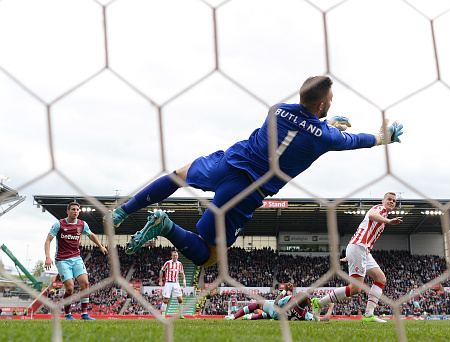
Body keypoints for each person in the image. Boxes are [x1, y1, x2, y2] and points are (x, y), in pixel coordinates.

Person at [106, 76, 404, 269]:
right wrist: (383, 137)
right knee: (209, 256)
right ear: (324, 104)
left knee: (177, 176)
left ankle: (124, 210)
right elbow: (357, 141)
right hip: (245, 191)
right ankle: (165, 226)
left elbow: (302, 119)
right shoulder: (326, 137)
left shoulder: (277, 110)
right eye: (330, 103)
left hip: (228, 162)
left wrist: (324, 122)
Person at [311, 192, 403, 323]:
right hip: (358, 247)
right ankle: (318, 303)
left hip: (362, 250)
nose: (392, 202)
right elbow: (371, 214)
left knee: (380, 278)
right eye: (389, 199)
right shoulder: (380, 209)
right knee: (355, 289)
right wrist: (389, 221)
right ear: (383, 200)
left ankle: (369, 314)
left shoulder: (383, 214)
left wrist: (352, 255)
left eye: (394, 201)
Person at [44, 202, 108, 320]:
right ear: (68, 211)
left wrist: (100, 246)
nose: (76, 211)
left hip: (76, 258)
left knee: (85, 283)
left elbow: (91, 235)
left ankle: (84, 314)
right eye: (73, 209)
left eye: (77, 210)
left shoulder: (82, 224)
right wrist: (48, 257)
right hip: (62, 259)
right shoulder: (59, 224)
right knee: (70, 287)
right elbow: (48, 240)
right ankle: (68, 314)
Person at [227, 292, 334, 322]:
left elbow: (275, 304)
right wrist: (330, 308)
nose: (310, 300)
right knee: (268, 315)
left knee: (258, 303)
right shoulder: (305, 314)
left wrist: (284, 292)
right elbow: (325, 319)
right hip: (280, 318)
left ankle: (234, 317)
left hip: (276, 311)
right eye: (308, 298)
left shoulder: (291, 299)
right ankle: (249, 317)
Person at [159, 250, 186, 319]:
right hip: (168, 283)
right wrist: (160, 280)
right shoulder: (168, 263)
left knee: (180, 299)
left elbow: (182, 273)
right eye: (174, 255)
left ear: (178, 256)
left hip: (176, 283)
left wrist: (184, 281)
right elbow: (162, 270)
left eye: (176, 255)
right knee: (166, 299)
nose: (175, 256)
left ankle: (181, 315)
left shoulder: (179, 264)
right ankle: (163, 315)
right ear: (171, 256)